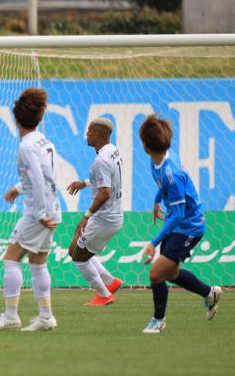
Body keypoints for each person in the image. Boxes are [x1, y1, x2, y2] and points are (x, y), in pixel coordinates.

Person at [0, 88, 61, 332]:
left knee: (11, 259)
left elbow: (37, 179)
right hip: (52, 207)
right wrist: (19, 188)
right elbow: (46, 175)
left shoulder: (26, 146)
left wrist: (40, 214)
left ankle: (10, 316)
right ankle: (46, 317)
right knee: (38, 264)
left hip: (39, 212)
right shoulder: (44, 141)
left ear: (16, 120)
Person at [138, 114, 222, 334]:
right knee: (171, 274)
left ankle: (158, 320)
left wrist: (154, 242)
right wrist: (157, 201)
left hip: (189, 226)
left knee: (156, 274)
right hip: (177, 223)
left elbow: (178, 214)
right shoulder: (161, 158)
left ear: (145, 146)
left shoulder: (171, 173)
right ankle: (210, 293)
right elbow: (163, 186)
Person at [66, 118, 124, 306]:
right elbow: (105, 179)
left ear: (98, 134)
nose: (86, 135)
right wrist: (83, 183)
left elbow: (105, 192)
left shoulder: (101, 160)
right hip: (110, 216)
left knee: (79, 258)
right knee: (73, 249)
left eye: (89, 131)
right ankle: (111, 282)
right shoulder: (112, 150)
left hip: (104, 219)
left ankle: (104, 295)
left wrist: (86, 217)